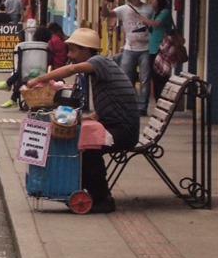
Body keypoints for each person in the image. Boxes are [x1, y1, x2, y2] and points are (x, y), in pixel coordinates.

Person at [23, 27, 139, 214]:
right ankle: (87, 191)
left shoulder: (98, 62)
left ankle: (103, 198)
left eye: (73, 50)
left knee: (87, 149)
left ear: (86, 50)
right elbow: (107, 104)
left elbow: (71, 69)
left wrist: (39, 79)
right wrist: (89, 118)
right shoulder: (97, 70)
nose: (70, 55)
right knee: (78, 139)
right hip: (115, 125)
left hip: (123, 131)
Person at [101, 0, 155, 116]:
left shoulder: (149, 9)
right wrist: (103, 3)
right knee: (126, 78)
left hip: (146, 48)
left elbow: (156, 25)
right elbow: (107, 14)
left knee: (145, 78)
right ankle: (130, 103)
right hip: (129, 48)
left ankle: (142, 107)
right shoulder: (123, 9)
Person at [148, 0, 174, 101]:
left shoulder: (165, 13)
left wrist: (141, 18)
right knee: (155, 77)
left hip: (162, 50)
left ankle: (162, 101)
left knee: (161, 77)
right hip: (152, 49)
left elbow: (155, 24)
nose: (151, 0)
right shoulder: (155, 13)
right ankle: (159, 101)